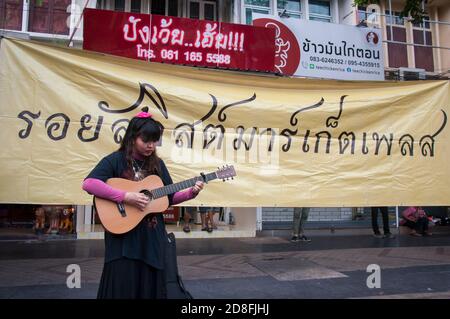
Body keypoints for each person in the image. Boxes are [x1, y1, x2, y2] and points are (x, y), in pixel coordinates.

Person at [82, 107, 204, 299]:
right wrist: (125, 196)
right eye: (146, 140)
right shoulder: (115, 160)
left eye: (154, 141)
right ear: (132, 138)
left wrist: (191, 193)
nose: (151, 146)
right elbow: (89, 183)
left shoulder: (157, 165)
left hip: (151, 241)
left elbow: (169, 198)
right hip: (123, 242)